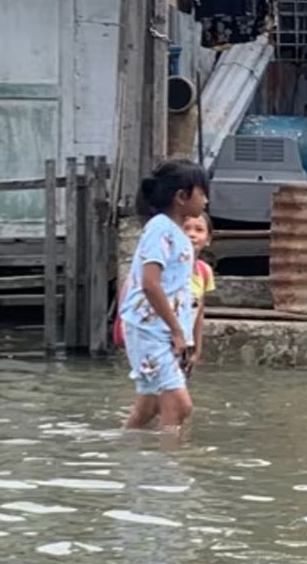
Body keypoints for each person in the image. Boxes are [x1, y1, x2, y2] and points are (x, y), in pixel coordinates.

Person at [121, 161, 209, 431]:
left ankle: (124, 451)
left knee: (148, 408)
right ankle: (170, 467)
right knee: (179, 405)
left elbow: (183, 294)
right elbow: (150, 284)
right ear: (181, 197)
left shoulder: (177, 234)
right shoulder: (160, 229)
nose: (206, 199)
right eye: (201, 193)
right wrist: (176, 331)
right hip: (150, 329)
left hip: (164, 331)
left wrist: (188, 338)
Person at [183, 212, 216, 376]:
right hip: (162, 342)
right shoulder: (167, 268)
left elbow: (199, 311)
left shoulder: (204, 271)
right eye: (186, 229)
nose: (191, 234)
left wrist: (197, 349)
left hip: (185, 343)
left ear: (208, 239)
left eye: (199, 230)